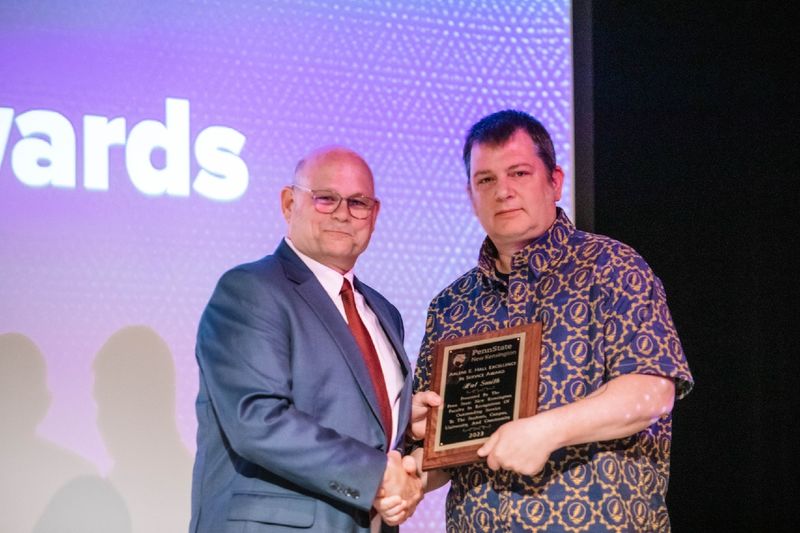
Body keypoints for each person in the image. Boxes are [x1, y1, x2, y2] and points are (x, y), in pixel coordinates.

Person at [409, 110, 694, 532]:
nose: (502, 191)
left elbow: (652, 392)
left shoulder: (611, 267)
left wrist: (547, 431)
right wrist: (412, 467)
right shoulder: (451, 305)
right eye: (485, 179)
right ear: (470, 195)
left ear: (555, 182)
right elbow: (446, 455)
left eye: (519, 173)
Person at [190, 146, 422, 533]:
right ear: (288, 203)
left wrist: (410, 426)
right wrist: (379, 476)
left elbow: (363, 421)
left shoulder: (383, 313)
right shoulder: (251, 289)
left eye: (358, 202)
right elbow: (257, 419)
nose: (342, 213)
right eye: (325, 198)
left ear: (374, 215)